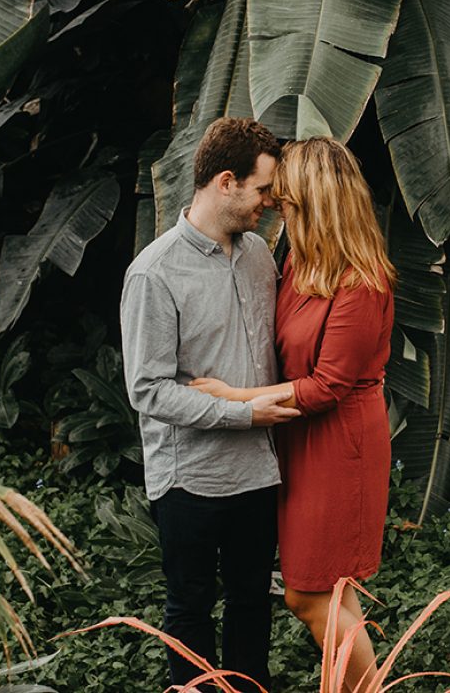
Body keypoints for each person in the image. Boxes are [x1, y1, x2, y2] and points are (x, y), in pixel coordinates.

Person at [189, 137, 395, 692]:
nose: (278, 211)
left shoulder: (361, 281)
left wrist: (231, 397)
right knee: (335, 592)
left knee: (308, 594)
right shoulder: (302, 263)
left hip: (340, 444)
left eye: (289, 204)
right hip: (301, 443)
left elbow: (329, 386)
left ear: (317, 204)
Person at [120, 118, 301, 693]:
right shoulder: (154, 272)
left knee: (252, 601)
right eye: (263, 190)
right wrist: (243, 413)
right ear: (226, 182)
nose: (271, 204)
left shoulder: (259, 256)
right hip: (189, 479)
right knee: (191, 608)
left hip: (256, 472)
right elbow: (148, 389)